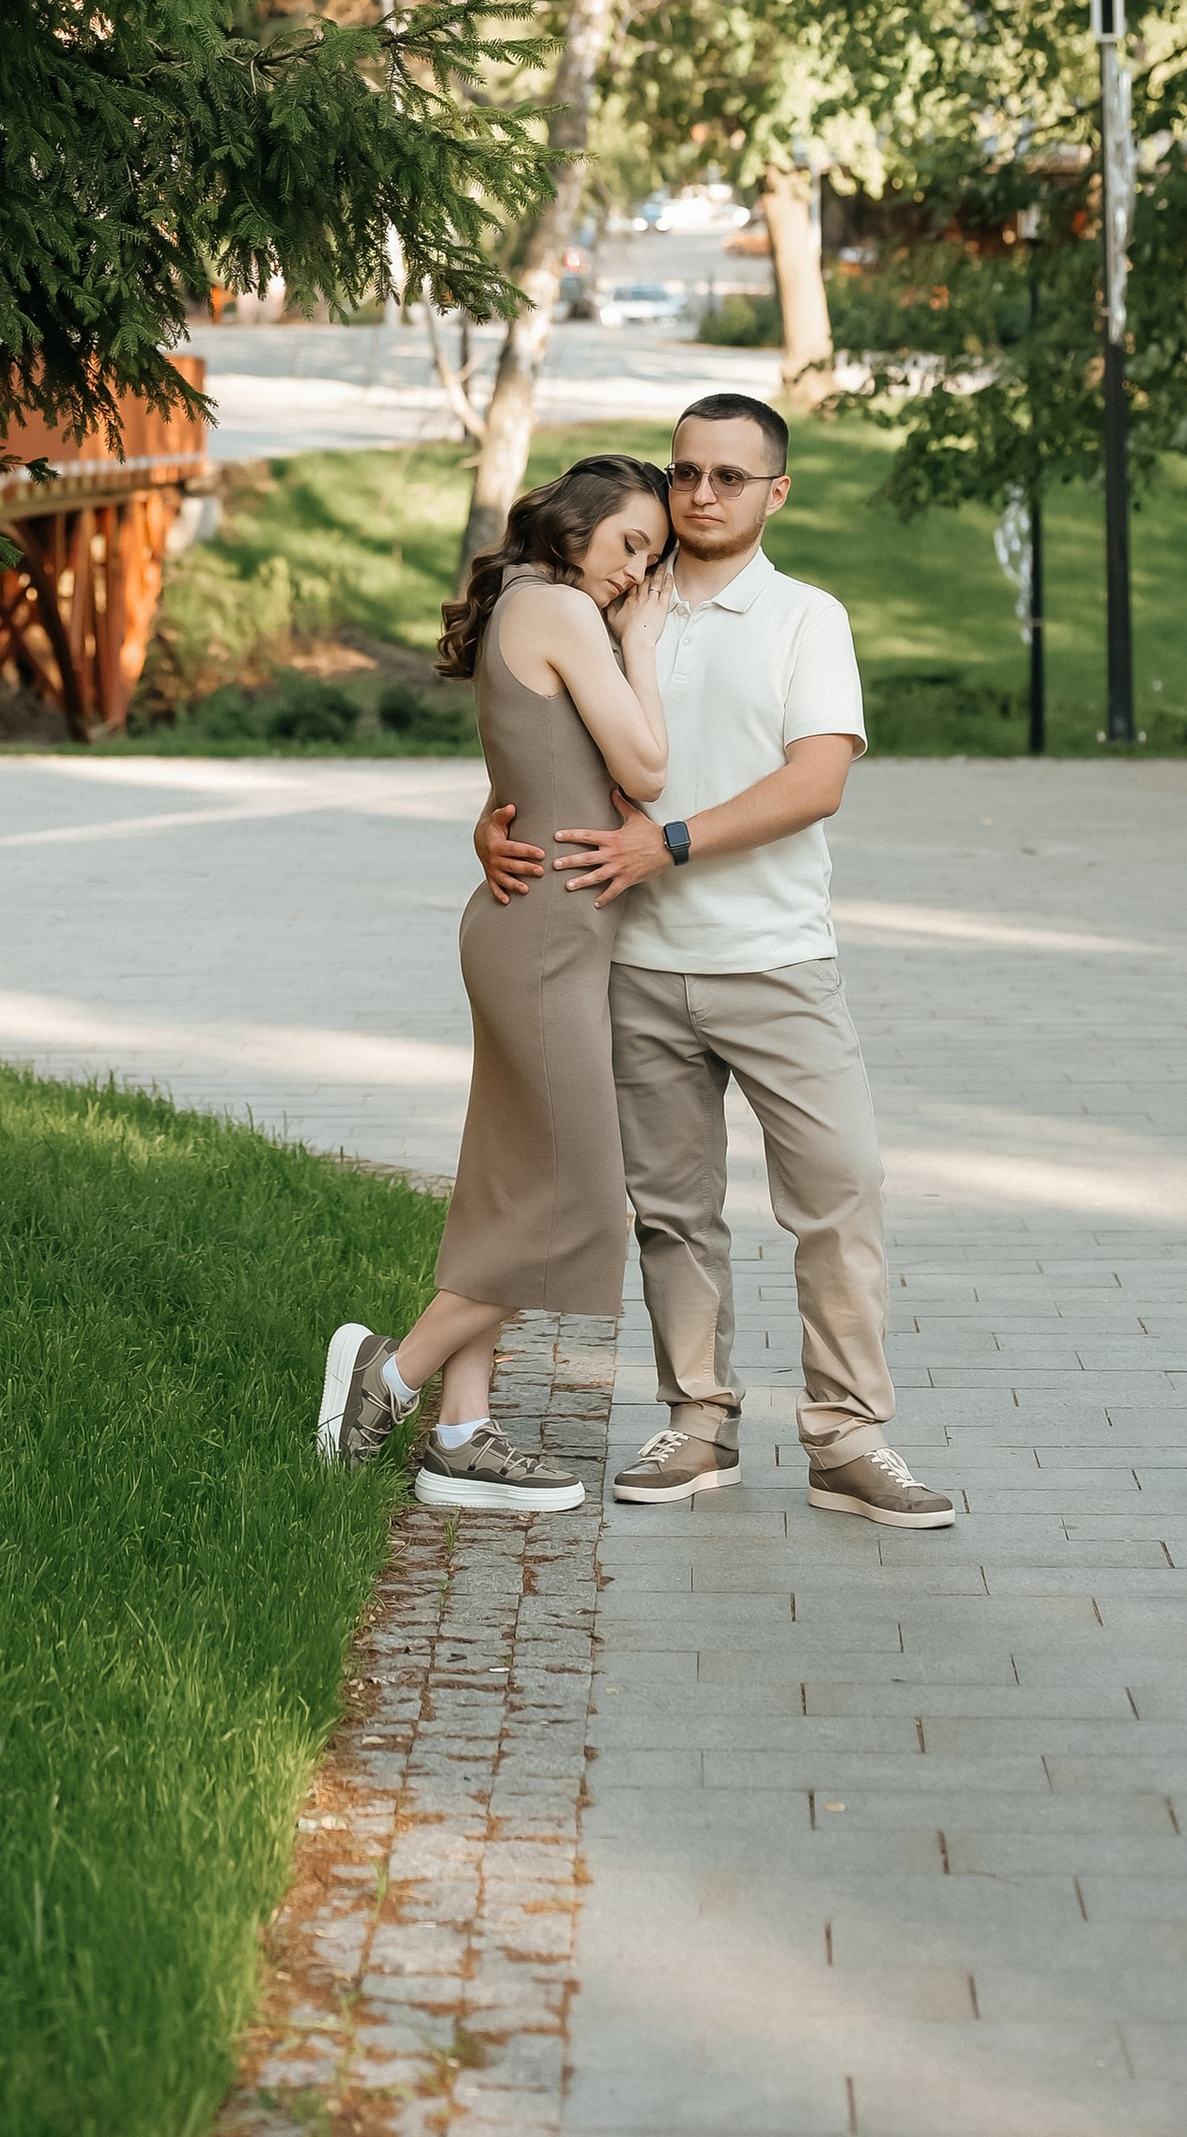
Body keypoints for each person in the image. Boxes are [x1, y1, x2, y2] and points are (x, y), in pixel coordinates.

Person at [472, 392, 954, 1531]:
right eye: (686, 471)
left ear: (774, 490)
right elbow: (543, 743)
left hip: (776, 956)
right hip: (631, 961)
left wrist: (669, 838)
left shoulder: (803, 617)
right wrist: (486, 825)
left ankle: (845, 1437)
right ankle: (696, 1422)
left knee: (842, 1189)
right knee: (672, 1212)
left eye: (729, 476)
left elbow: (816, 779)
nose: (699, 493)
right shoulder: (610, 603)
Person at [318, 454, 675, 1512]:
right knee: (575, 1201)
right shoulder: (562, 608)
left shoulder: (531, 602)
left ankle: (461, 1436)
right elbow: (644, 771)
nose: (636, 572)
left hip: (539, 930)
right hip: (543, 942)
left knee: (512, 1187)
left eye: (652, 557)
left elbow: (527, 771)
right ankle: (387, 1376)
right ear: (575, 524)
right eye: (629, 544)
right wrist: (643, 645)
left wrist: (487, 821)